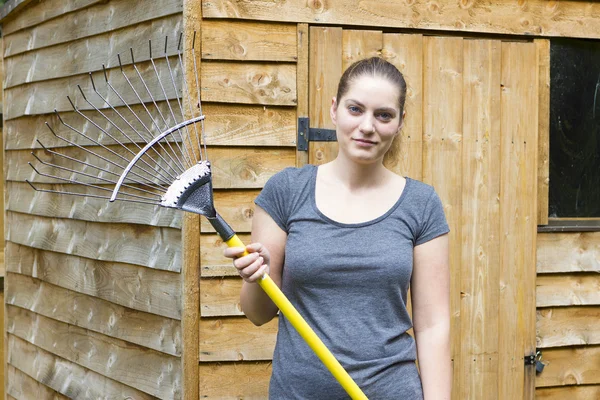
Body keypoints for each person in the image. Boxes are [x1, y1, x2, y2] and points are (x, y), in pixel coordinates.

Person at [224, 57, 451, 400]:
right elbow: (258, 314)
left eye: (384, 115)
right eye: (356, 109)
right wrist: (256, 278)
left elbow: (433, 327)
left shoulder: (421, 204)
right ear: (334, 109)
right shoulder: (286, 192)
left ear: (400, 122)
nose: (367, 126)